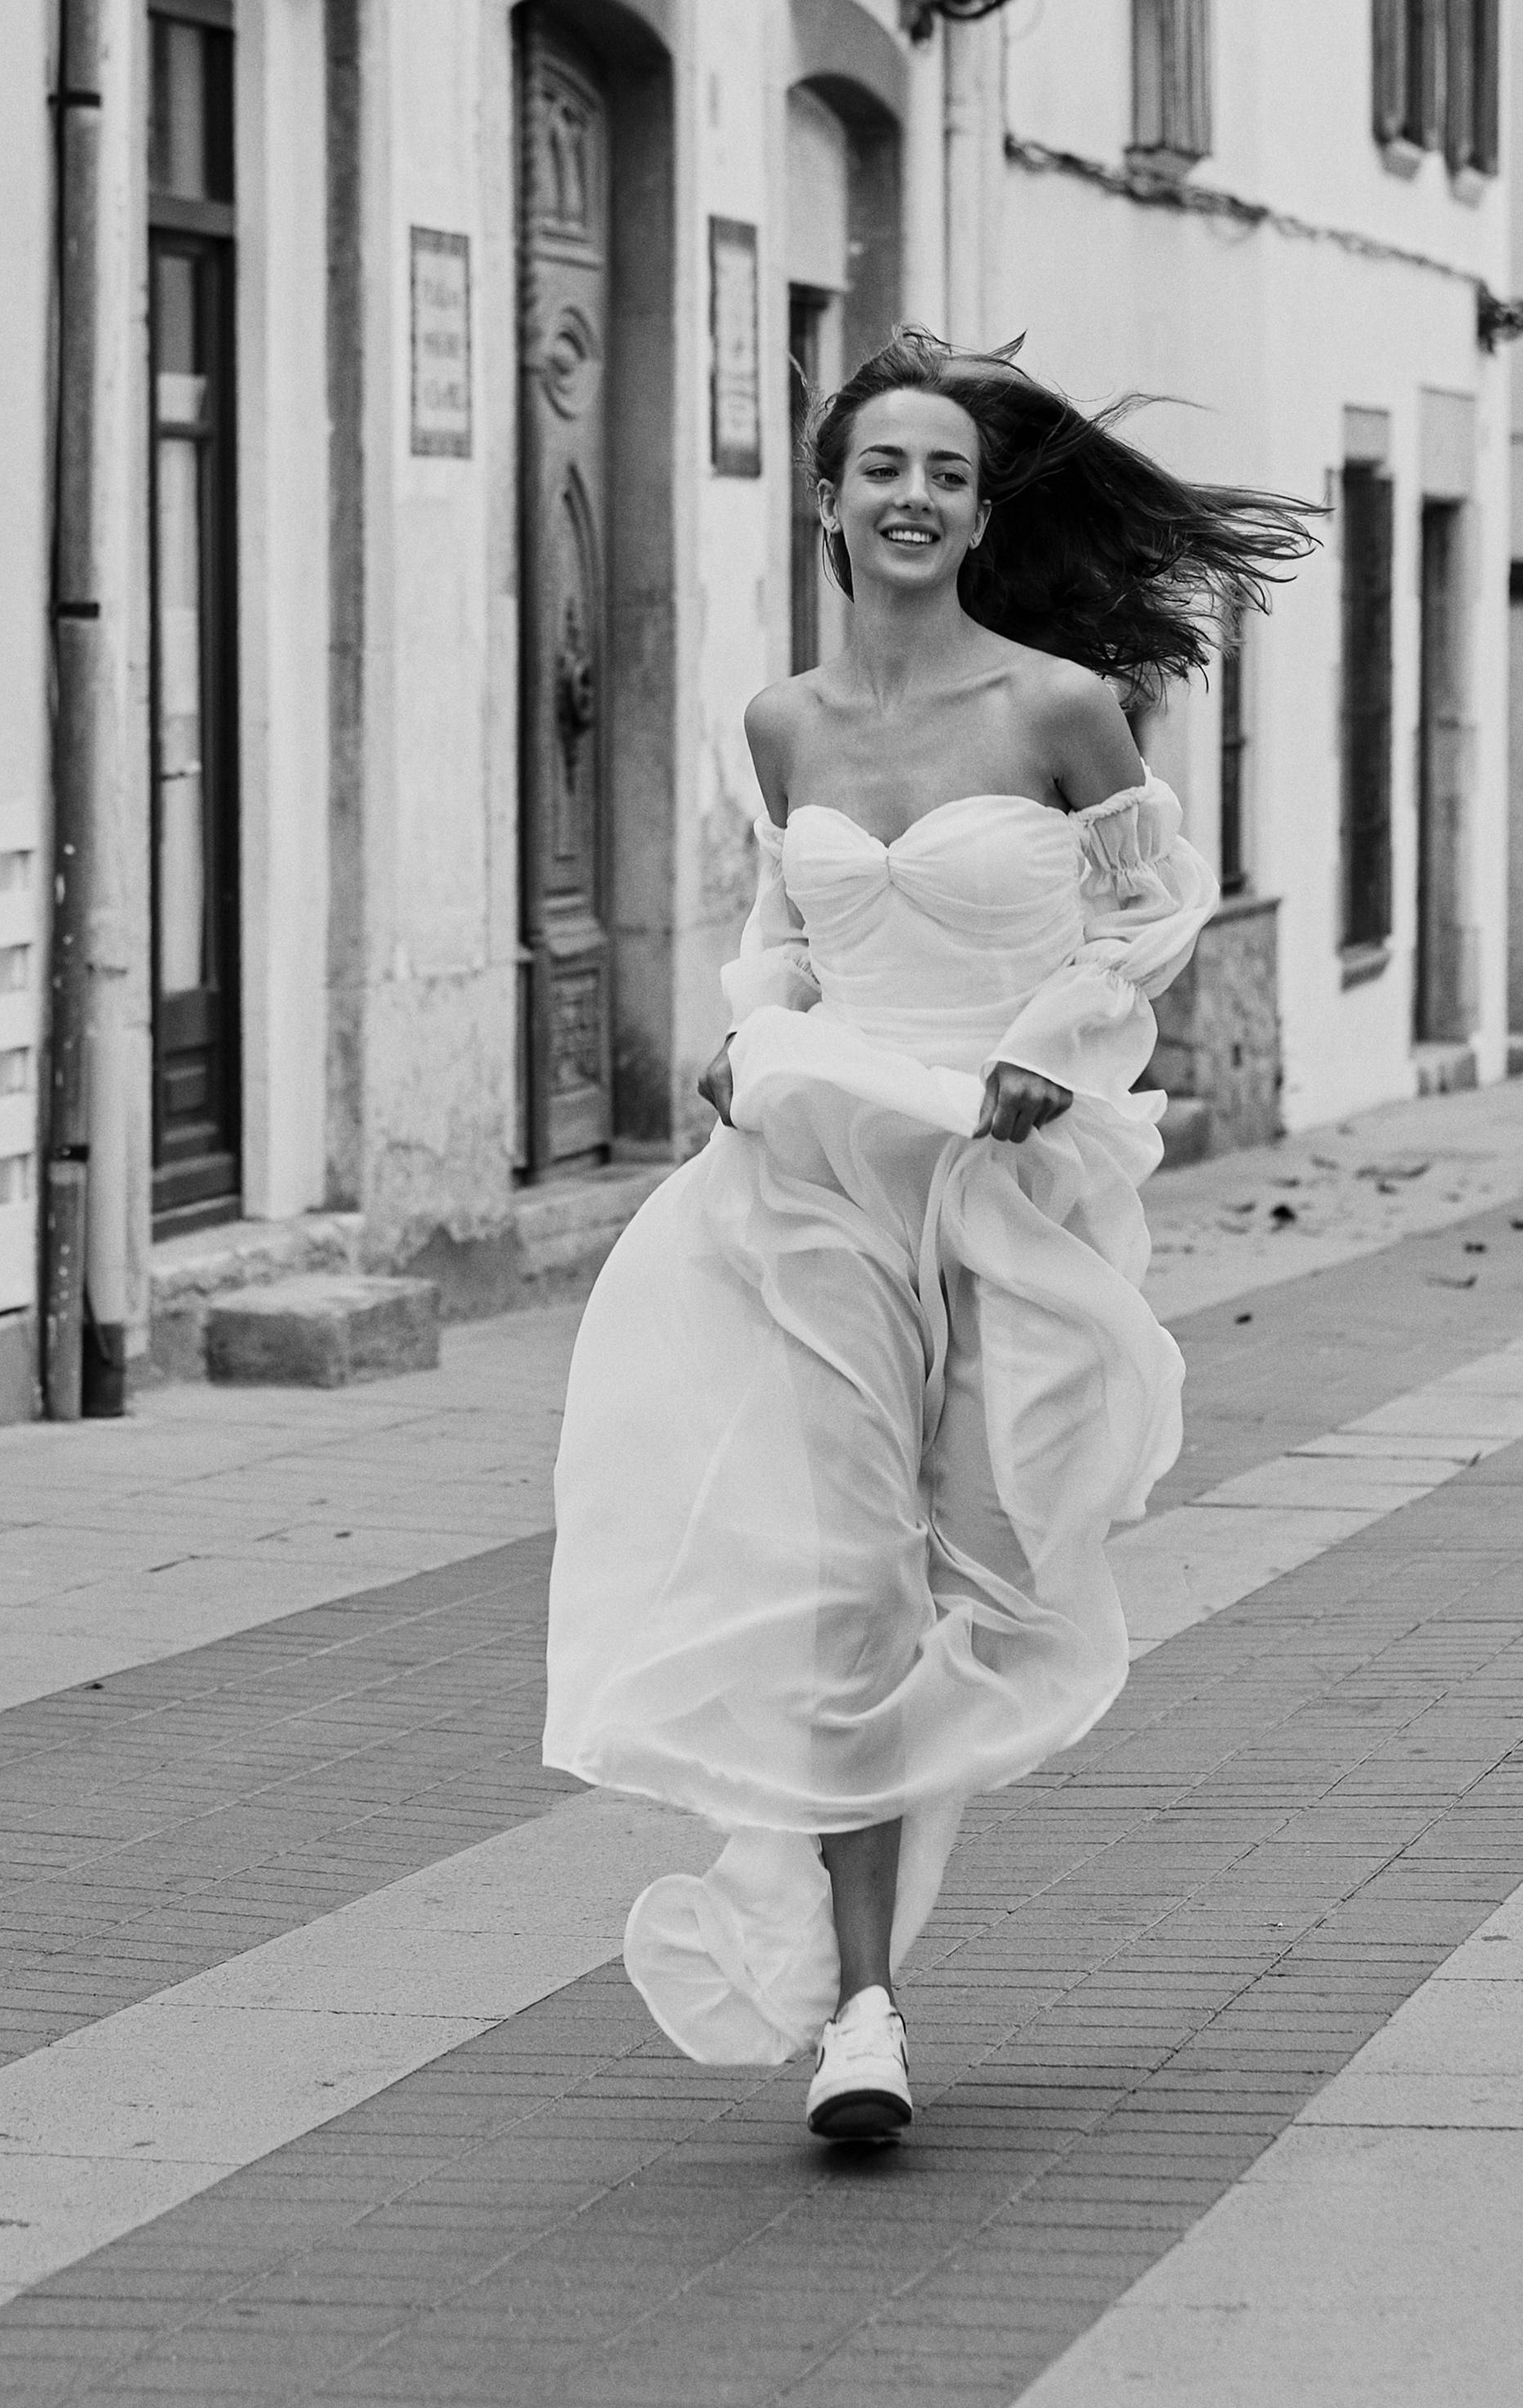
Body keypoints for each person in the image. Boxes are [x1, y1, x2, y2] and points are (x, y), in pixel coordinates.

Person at [543, 331, 1317, 2145]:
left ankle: (865, 1941)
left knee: (990, 1559)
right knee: (848, 1589)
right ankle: (860, 2012)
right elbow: (783, 939)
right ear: (827, 500)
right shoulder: (781, 721)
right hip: (814, 1185)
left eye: (945, 476)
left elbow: (1150, 914)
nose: (912, 498)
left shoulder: (1055, 708)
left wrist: (1056, 1050)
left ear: (976, 515)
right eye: (881, 468)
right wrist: (741, 1034)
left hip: (1002, 1186)